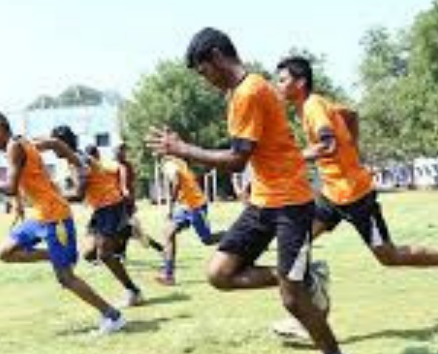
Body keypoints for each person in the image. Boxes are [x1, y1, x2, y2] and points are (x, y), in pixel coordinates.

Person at [147, 28, 344, 354]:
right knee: (219, 274)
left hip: (291, 202)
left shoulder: (249, 92)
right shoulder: (244, 90)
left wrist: (182, 149)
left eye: (204, 71)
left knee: (293, 300)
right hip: (263, 201)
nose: (205, 80)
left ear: (216, 57)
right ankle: (306, 276)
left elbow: (237, 160)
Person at [270, 55, 438, 339]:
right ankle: (310, 313)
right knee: (297, 244)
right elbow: (351, 115)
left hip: (356, 197)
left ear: (300, 82)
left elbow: (328, 145)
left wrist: (294, 158)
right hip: (332, 194)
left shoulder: (313, 106)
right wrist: (353, 150)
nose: (277, 85)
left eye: (282, 80)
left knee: (389, 256)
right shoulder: (317, 104)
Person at [0, 111, 125, 334]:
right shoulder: (23, 142)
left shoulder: (15, 147)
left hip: (55, 216)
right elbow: (55, 143)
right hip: (41, 215)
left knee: (66, 278)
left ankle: (112, 316)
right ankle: (56, 255)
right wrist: (77, 162)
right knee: (4, 252)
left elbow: (10, 187)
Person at [77, 144, 145, 308]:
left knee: (105, 254)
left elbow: (80, 194)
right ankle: (127, 233)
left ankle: (133, 291)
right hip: (102, 210)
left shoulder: (89, 163)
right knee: (88, 254)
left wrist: (125, 193)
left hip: (111, 208)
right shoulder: (96, 164)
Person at [155, 156, 226, 286]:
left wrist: (170, 206)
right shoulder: (177, 161)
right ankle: (168, 274)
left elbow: (177, 182)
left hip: (196, 205)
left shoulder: (169, 163)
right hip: (186, 206)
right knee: (168, 233)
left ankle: (236, 235)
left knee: (207, 240)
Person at [114, 143, 165, 255]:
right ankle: (120, 253)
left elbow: (128, 185)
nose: (119, 154)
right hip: (118, 203)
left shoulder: (127, 166)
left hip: (125, 204)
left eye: (121, 152)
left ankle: (159, 248)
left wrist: (130, 200)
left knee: (132, 231)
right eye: (118, 152)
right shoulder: (115, 166)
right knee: (127, 230)